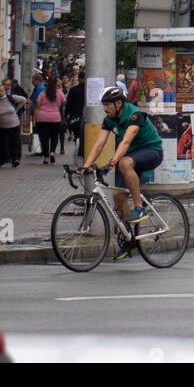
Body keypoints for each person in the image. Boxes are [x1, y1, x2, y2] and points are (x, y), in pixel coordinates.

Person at [81, 85, 163, 261]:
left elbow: (125, 142)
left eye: (108, 105)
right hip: (128, 157)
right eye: (103, 105)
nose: (105, 108)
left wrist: (112, 161)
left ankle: (139, 208)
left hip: (151, 150)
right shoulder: (109, 119)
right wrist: (86, 165)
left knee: (125, 163)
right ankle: (130, 239)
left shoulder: (135, 115)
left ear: (119, 103)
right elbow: (99, 143)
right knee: (118, 197)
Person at [0, 79, 29, 167]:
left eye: (2, 90)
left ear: (5, 91)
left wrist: (16, 110)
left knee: (15, 142)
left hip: (14, 124)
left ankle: (15, 159)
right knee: (1, 144)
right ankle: (1, 160)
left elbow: (24, 100)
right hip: (1, 125)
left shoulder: (11, 98)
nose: (0, 92)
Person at [33, 74, 65, 164]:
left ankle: (46, 157)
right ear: (56, 84)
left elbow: (37, 107)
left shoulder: (43, 93)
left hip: (42, 118)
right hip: (55, 118)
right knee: (54, 136)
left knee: (44, 138)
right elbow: (65, 101)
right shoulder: (59, 92)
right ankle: (52, 153)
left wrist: (34, 119)